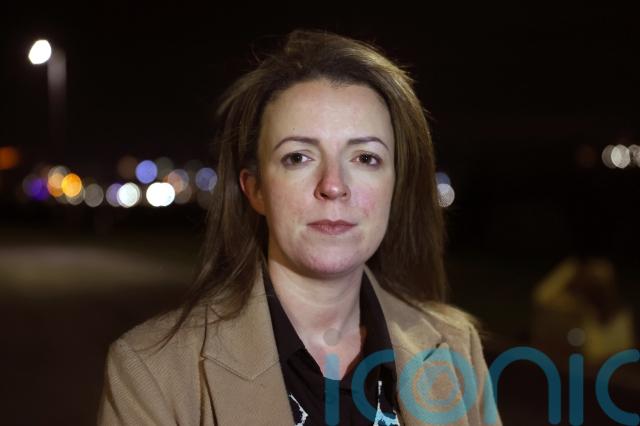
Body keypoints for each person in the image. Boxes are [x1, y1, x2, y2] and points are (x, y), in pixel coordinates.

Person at [97, 29, 501, 425]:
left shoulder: (456, 348)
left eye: (365, 158)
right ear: (255, 189)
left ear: (395, 186)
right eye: (298, 157)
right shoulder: (152, 374)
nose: (333, 186)